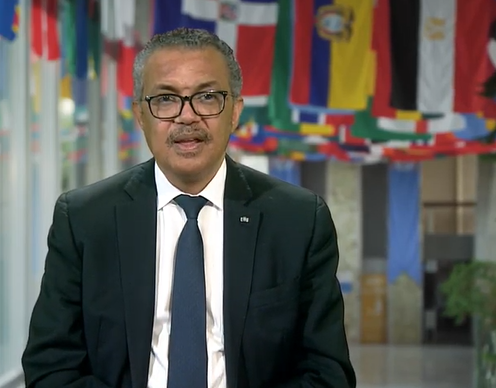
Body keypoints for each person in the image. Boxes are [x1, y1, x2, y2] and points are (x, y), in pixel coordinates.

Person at [21, 27, 356, 388]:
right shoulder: (85, 219)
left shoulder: (298, 220)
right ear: (140, 115)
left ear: (234, 112)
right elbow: (51, 367)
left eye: (207, 97)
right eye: (165, 99)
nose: (186, 116)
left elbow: (327, 374)